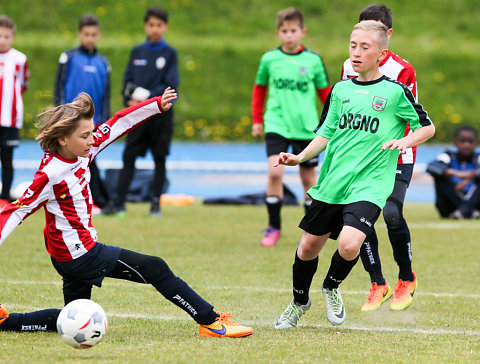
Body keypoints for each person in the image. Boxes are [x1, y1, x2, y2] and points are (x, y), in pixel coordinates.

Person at [0, 90, 252, 338]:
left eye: (91, 134)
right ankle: (210, 321)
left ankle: (6, 322)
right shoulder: (50, 174)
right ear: (64, 139)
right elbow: (17, 211)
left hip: (68, 255)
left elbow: (118, 122)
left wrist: (156, 105)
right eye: (85, 136)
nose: (92, 140)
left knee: (74, 317)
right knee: (156, 268)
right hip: (80, 254)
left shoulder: (83, 150)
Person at [274, 21, 435, 329]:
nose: (357, 53)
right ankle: (299, 301)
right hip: (334, 180)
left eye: (365, 47)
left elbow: (427, 127)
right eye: (353, 46)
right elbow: (326, 133)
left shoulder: (395, 92)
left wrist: (404, 141)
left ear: (381, 54)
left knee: (349, 244)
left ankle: (331, 287)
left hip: (371, 183)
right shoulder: (340, 90)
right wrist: (300, 157)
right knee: (308, 247)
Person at [340, 4, 420, 312]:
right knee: (361, 215)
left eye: (371, 32)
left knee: (391, 213)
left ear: (386, 36)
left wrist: (399, 141)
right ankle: (378, 282)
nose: (362, 41)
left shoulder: (402, 70)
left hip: (399, 153)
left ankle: (406, 278)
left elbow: (414, 117)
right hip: (363, 156)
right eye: (358, 32)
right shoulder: (349, 65)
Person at [251, 7, 331, 247]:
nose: (289, 35)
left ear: (302, 32)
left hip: (306, 128)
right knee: (275, 172)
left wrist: (330, 124)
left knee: (308, 179)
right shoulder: (269, 59)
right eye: (284, 31)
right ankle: (273, 227)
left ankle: (311, 230)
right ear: (278, 33)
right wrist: (257, 119)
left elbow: (326, 94)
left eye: (293, 30)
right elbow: (260, 90)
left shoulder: (313, 61)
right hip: (276, 124)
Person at [103, 6, 178, 217]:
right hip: (137, 115)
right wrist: (130, 97)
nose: (155, 29)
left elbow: (171, 85)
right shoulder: (137, 52)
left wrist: (145, 96)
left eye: (159, 25)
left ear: (166, 27)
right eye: (151, 24)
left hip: (161, 115)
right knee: (129, 156)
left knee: (160, 158)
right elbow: (127, 82)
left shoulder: (170, 54)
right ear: (146, 26)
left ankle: (155, 203)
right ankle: (119, 203)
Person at [54, 13, 111, 210]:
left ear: (98, 35)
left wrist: (104, 120)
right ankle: (90, 199)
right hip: (69, 121)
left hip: (93, 122)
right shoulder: (68, 58)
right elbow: (59, 88)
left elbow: (106, 94)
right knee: (67, 159)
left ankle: (94, 200)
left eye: (93, 34)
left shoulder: (103, 63)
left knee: (88, 160)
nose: (90, 38)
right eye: (86, 34)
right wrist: (59, 117)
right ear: (80, 34)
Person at [0, 15, 29, 204]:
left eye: (6, 37)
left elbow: (24, 84)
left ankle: (4, 199)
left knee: (7, 159)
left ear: (13, 37)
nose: (2, 40)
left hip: (10, 120)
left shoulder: (19, 59)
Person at [427, 125, 480, 219]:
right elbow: (432, 168)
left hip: (476, 204)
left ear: (476, 143)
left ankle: (464, 211)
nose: (466, 145)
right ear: (455, 142)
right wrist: (453, 173)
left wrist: (472, 176)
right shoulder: (448, 156)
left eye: (470, 141)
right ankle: (467, 211)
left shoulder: (478, 158)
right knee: (440, 177)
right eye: (462, 141)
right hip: (450, 207)